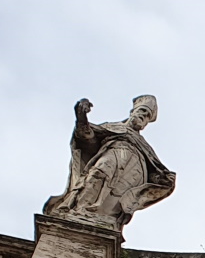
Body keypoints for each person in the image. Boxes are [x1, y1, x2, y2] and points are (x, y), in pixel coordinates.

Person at [45, 95, 175, 227]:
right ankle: (80, 210)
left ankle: (104, 218)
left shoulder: (144, 145)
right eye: (142, 111)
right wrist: (81, 118)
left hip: (133, 172)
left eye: (147, 115)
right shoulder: (112, 127)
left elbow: (154, 171)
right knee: (97, 174)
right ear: (133, 112)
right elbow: (87, 137)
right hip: (111, 156)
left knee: (117, 197)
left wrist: (163, 179)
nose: (144, 116)